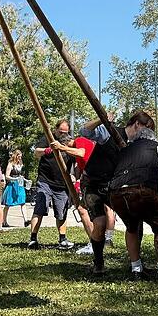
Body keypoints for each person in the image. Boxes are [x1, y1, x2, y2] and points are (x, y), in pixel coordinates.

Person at [51, 115, 120, 275]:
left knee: (90, 212)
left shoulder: (80, 140)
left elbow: (82, 153)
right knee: (102, 211)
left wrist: (63, 149)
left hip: (98, 180)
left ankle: (96, 242)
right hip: (95, 178)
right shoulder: (79, 146)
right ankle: (104, 240)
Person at [107, 111, 158, 282]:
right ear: (153, 136)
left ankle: (136, 269)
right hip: (143, 191)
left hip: (117, 194)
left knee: (131, 227)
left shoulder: (126, 149)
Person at [29, 120, 75, 250]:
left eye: (65, 132)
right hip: (45, 181)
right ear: (55, 129)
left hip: (62, 184)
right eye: (60, 131)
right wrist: (47, 150)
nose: (62, 134)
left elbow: (76, 161)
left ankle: (63, 239)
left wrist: (74, 176)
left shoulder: (69, 142)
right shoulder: (48, 138)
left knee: (62, 212)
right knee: (40, 208)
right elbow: (36, 152)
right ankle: (33, 239)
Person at [1, 150, 27, 227]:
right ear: (15, 156)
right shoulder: (10, 164)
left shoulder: (20, 164)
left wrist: (26, 180)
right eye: (19, 156)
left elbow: (21, 176)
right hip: (12, 185)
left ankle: (26, 220)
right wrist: (14, 179)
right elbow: (7, 176)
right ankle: (4, 221)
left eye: (21, 157)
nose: (20, 158)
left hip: (20, 185)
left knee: (23, 202)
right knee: (8, 204)